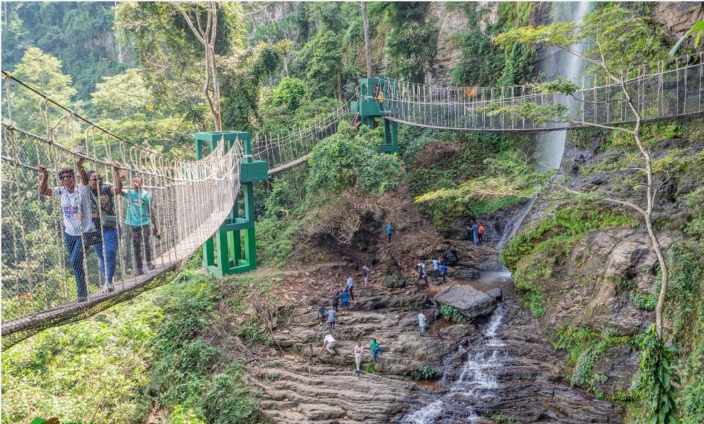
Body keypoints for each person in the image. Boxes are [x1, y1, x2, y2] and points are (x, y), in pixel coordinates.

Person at [38, 157, 97, 302]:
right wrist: (45, 175)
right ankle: (83, 291)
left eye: (69, 176)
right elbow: (43, 191)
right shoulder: (61, 191)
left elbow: (85, 180)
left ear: (74, 178)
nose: (66, 179)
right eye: (63, 178)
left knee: (75, 260)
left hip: (85, 232)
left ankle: (81, 293)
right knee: (75, 262)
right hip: (69, 234)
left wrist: (79, 167)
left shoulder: (81, 189)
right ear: (61, 181)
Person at [87, 163, 123, 292]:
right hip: (94, 230)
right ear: (88, 181)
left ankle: (108, 282)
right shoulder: (85, 192)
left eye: (100, 178)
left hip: (110, 227)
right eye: (95, 179)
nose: (99, 181)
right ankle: (107, 281)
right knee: (101, 256)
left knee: (110, 252)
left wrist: (116, 172)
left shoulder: (107, 190)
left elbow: (118, 189)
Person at [122, 175, 160, 276]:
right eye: (133, 181)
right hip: (134, 224)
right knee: (136, 245)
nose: (135, 183)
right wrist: (119, 177)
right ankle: (139, 268)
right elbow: (118, 190)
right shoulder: (129, 194)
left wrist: (155, 227)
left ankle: (149, 262)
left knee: (146, 243)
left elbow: (150, 210)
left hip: (145, 222)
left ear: (141, 183)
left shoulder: (147, 195)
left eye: (137, 181)